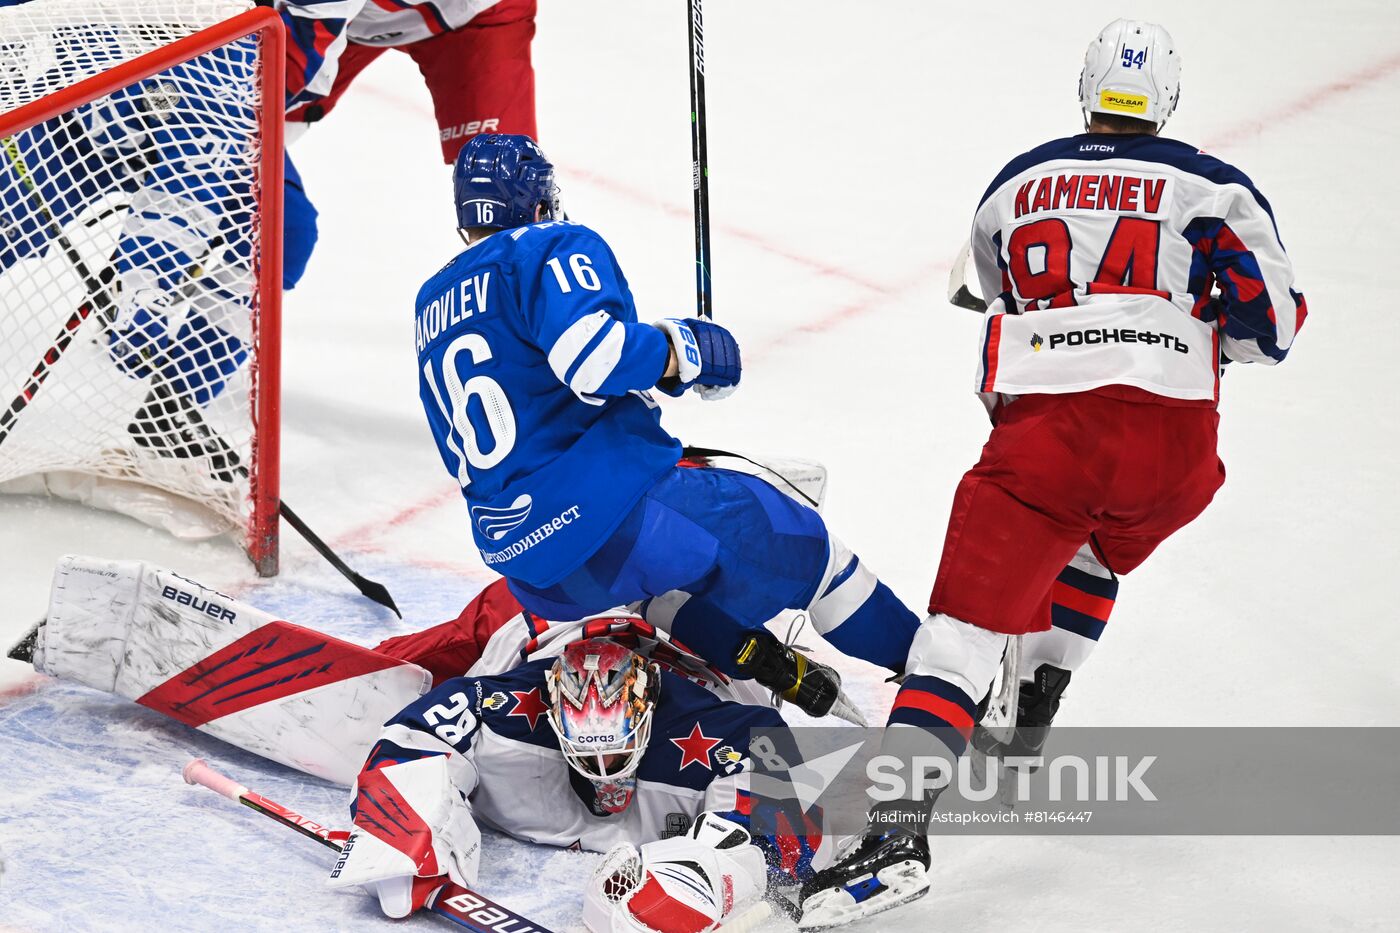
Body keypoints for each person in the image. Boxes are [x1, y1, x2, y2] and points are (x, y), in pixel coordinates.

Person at [798, 19, 1308, 928]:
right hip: (1177, 454)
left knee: (955, 640)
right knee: (1100, 549)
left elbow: (987, 290)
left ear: (1086, 91)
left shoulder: (1017, 184)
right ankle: (1040, 691)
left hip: (1045, 444)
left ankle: (895, 833)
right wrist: (1183, 331)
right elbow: (1272, 330)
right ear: (1168, 100)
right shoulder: (1220, 189)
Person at [412, 132, 922, 723]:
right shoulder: (547, 246)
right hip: (620, 522)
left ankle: (761, 659)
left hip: (531, 571)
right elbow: (592, 359)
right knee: (812, 550)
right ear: (535, 199)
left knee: (661, 588)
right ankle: (942, 686)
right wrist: (683, 349)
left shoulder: (433, 302)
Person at [328, 633, 828, 928]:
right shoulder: (494, 704)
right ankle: (364, 657)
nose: (605, 768)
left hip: (694, 646)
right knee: (472, 630)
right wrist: (401, 831)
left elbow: (790, 828)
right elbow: (410, 741)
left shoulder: (733, 729)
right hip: (552, 629)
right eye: (589, 749)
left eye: (617, 748)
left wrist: (719, 874)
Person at [257, 0, 539, 286]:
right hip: (339, 18)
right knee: (249, 142)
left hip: (471, 14)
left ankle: (554, 307)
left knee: (508, 186)